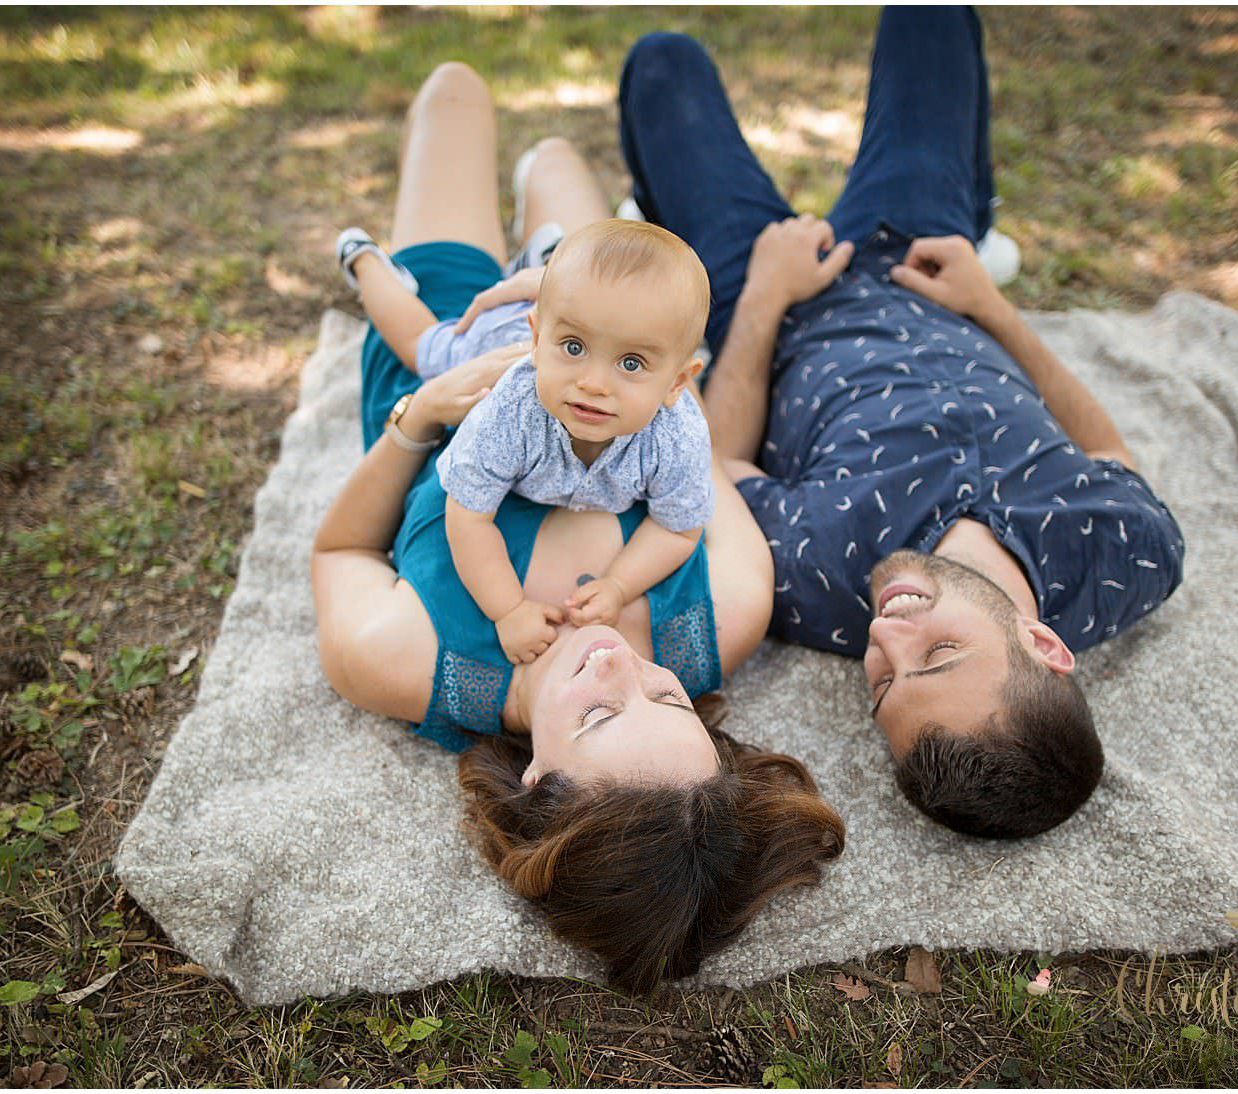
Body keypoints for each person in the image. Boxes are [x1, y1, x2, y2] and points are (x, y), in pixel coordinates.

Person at [311, 61, 844, 993]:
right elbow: (696, 460)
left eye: (599, 715)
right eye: (667, 700)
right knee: (559, 166)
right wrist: (605, 339)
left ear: (536, 786)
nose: (616, 664)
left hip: (441, 351)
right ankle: (546, 230)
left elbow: (341, 549)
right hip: (590, 324)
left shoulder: (399, 659)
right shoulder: (728, 609)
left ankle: (386, 257)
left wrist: (423, 417)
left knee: (452, 89)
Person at [617, 7, 1187, 840]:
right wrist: (992, 307)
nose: (887, 635)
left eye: (882, 684)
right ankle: (979, 233)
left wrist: (768, 295)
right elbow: (1106, 449)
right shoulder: (1123, 554)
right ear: (1045, 645)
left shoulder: (817, 585)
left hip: (768, 297)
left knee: (661, 63)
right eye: (941, 655)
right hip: (927, 258)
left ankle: (677, 222)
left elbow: (723, 458)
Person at [334, 218, 715, 665]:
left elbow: (679, 526)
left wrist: (619, 584)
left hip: (563, 315)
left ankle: (548, 263)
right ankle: (365, 261)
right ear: (540, 339)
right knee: (424, 349)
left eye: (631, 363)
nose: (593, 383)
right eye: (574, 347)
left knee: (588, 310)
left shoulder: (678, 436)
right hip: (496, 341)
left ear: (677, 382)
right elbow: (468, 517)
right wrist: (509, 610)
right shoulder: (509, 411)